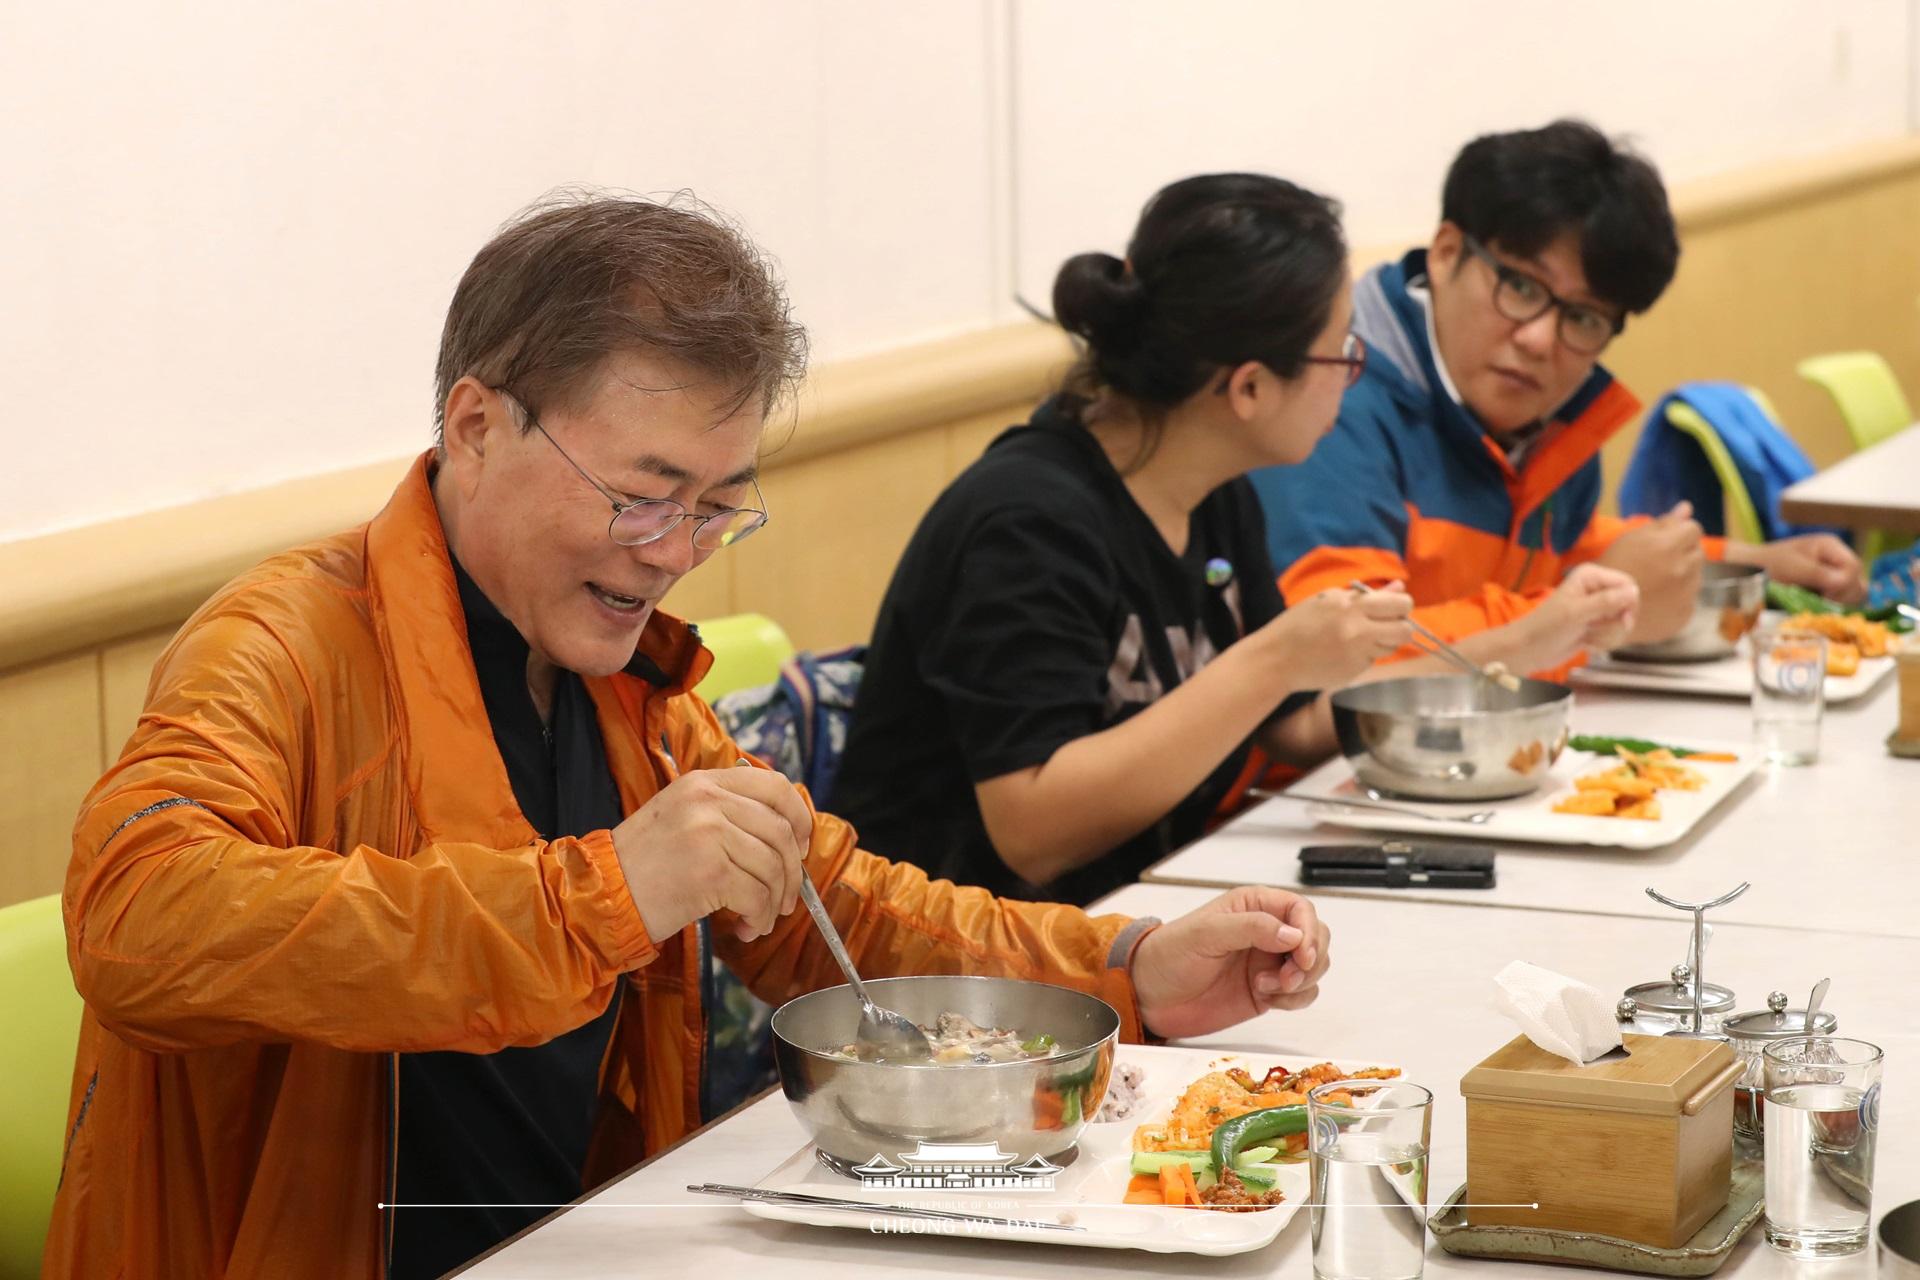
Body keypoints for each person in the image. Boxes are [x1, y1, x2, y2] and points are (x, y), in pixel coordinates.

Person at [46, 195, 1335, 1280]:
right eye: (643, 493)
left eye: (719, 506)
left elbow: (835, 908)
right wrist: (605, 891)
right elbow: (136, 918)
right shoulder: (283, 644)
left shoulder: (627, 688)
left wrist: (1129, 964)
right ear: (477, 424)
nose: (673, 555)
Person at [842, 173, 1548, 908]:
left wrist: (1518, 644)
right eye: (1340, 354)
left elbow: (1297, 727)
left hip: (1130, 922)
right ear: (1248, 389)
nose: (1352, 378)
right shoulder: (1026, 522)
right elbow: (1035, 831)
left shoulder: (1216, 494)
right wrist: (1276, 659)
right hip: (954, 972)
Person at [1251, 119, 1865, 666]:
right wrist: (1582, 617)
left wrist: (1749, 561)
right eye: (1520, 287)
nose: (1541, 339)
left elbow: (1551, 547)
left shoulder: (1548, 413)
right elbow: (1346, 660)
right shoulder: (1330, 402)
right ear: (1444, 254)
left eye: (1584, 317)